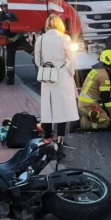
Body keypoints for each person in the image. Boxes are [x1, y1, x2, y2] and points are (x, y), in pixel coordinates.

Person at [34, 14, 79, 143]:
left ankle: (47, 136)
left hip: (47, 75)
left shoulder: (41, 39)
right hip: (62, 74)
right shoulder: (65, 38)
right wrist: (70, 72)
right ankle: (60, 137)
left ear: (47, 24)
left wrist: (45, 68)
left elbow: (37, 60)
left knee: (48, 106)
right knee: (62, 107)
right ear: (60, 25)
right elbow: (72, 57)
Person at [77, 49, 111, 131]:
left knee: (105, 113)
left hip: (85, 103)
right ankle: (85, 123)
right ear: (108, 62)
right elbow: (106, 98)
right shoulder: (103, 75)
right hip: (88, 105)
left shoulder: (97, 71)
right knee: (105, 122)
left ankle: (89, 118)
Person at [0, 0, 26, 85]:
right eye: (3, 6)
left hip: (19, 38)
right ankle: (10, 79)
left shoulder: (14, 15)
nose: (4, 8)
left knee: (32, 51)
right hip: (10, 41)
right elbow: (0, 29)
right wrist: (0, 31)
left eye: (6, 6)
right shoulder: (1, 17)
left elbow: (20, 24)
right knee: (10, 62)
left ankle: (40, 67)